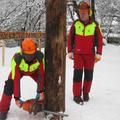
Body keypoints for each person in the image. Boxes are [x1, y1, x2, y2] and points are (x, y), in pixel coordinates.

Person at [67, 1, 103, 104]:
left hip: (90, 55)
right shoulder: (75, 24)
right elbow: (70, 39)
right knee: (77, 75)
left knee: (89, 76)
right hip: (78, 55)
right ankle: (77, 95)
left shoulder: (95, 25)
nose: (83, 14)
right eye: (81, 12)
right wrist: (69, 51)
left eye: (85, 13)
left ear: (89, 13)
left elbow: (99, 40)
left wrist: (99, 53)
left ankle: (86, 93)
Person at [0, 38, 45, 120]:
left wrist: (40, 91)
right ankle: (2, 110)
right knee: (9, 85)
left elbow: (41, 74)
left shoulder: (39, 57)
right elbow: (16, 78)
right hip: (19, 72)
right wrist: (17, 98)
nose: (29, 57)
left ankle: (42, 103)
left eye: (31, 54)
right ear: (22, 51)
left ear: (35, 50)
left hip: (34, 72)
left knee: (46, 84)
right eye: (27, 54)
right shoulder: (17, 59)